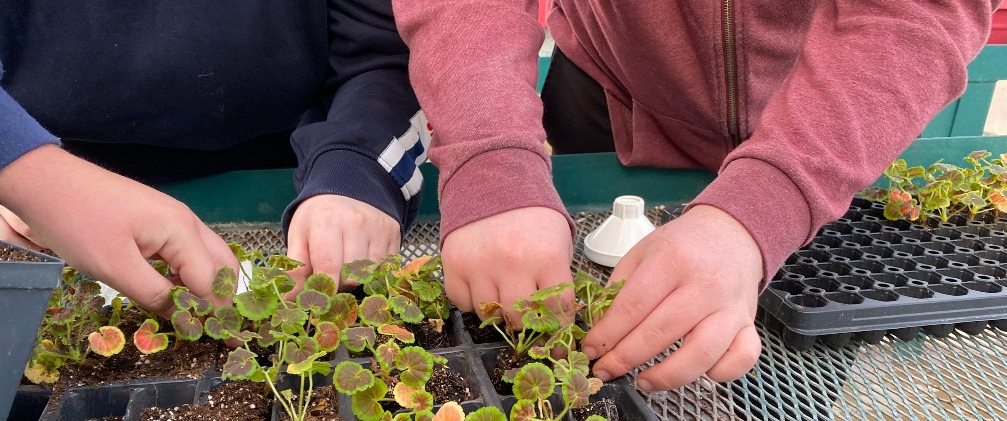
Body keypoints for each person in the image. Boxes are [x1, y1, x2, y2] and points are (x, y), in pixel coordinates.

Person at [392, 0, 997, 392]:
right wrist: (492, 157)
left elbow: (914, 12)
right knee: (589, 366)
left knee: (789, 392)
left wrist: (769, 202)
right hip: (613, 93)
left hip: (825, 117)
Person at [0, 0, 428, 315]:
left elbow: (384, 49)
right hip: (44, 210)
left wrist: (358, 170)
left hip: (298, 180)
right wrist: (0, 166)